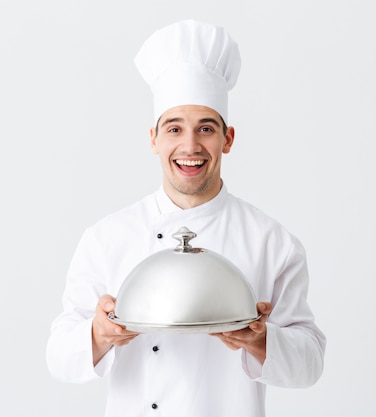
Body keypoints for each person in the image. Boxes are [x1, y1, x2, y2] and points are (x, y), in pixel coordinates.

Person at [46, 19, 326, 416]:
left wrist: (261, 341)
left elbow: (311, 363)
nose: (190, 146)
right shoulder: (108, 237)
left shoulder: (271, 241)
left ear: (227, 139)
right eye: (174, 128)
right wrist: (99, 333)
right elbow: (58, 356)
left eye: (206, 128)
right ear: (154, 139)